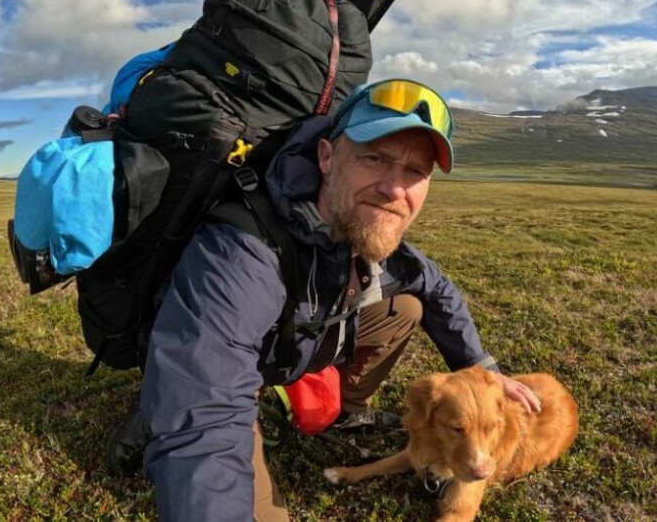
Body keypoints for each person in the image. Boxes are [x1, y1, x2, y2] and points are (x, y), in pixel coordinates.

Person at [137, 79, 542, 521]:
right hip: (234, 376)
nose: (395, 189)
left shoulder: (365, 235)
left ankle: (344, 410)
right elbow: (205, 423)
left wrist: (484, 370)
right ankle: (156, 407)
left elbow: (437, 288)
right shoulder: (241, 253)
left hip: (293, 346)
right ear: (326, 158)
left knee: (406, 307)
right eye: (375, 158)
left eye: (415, 171)